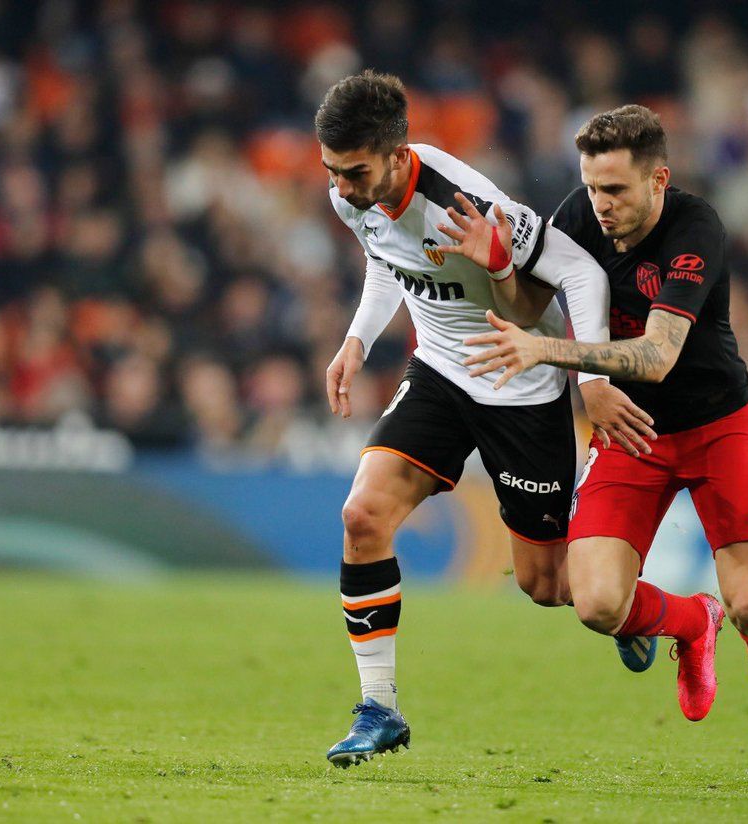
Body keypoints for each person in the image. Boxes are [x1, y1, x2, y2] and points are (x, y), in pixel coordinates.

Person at [459, 105, 748, 792]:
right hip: (633, 432)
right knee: (596, 603)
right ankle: (694, 621)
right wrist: (497, 270)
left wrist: (566, 362)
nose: (599, 205)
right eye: (592, 186)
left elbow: (659, 354)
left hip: (716, 425)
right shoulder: (579, 216)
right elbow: (527, 309)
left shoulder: (695, 229)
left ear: (658, 180)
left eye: (616, 190)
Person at [316, 72, 656, 768]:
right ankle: (380, 708)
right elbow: (387, 257)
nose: (342, 189)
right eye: (332, 172)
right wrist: (358, 338)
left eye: (354, 173)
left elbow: (583, 274)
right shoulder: (352, 193)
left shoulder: (467, 202)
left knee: (549, 585)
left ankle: (645, 606)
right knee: (362, 517)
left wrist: (588, 377)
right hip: (440, 370)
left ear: (397, 151)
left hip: (519, 383)